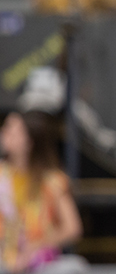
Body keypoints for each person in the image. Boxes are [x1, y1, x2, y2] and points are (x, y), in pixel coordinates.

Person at [0, 111, 87, 274]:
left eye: (11, 130)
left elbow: (73, 227)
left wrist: (36, 245)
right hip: (4, 257)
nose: (4, 133)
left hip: (41, 261)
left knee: (74, 267)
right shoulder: (1, 176)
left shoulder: (52, 181)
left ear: (29, 141)